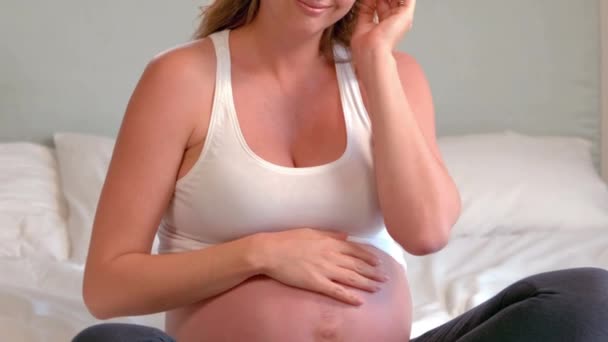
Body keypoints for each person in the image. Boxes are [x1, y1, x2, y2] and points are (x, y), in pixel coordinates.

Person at [72, 0, 608, 341]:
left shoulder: (394, 74)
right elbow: (107, 287)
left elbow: (426, 232)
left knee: (588, 298)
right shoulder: (182, 79)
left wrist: (375, 61)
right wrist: (263, 253)